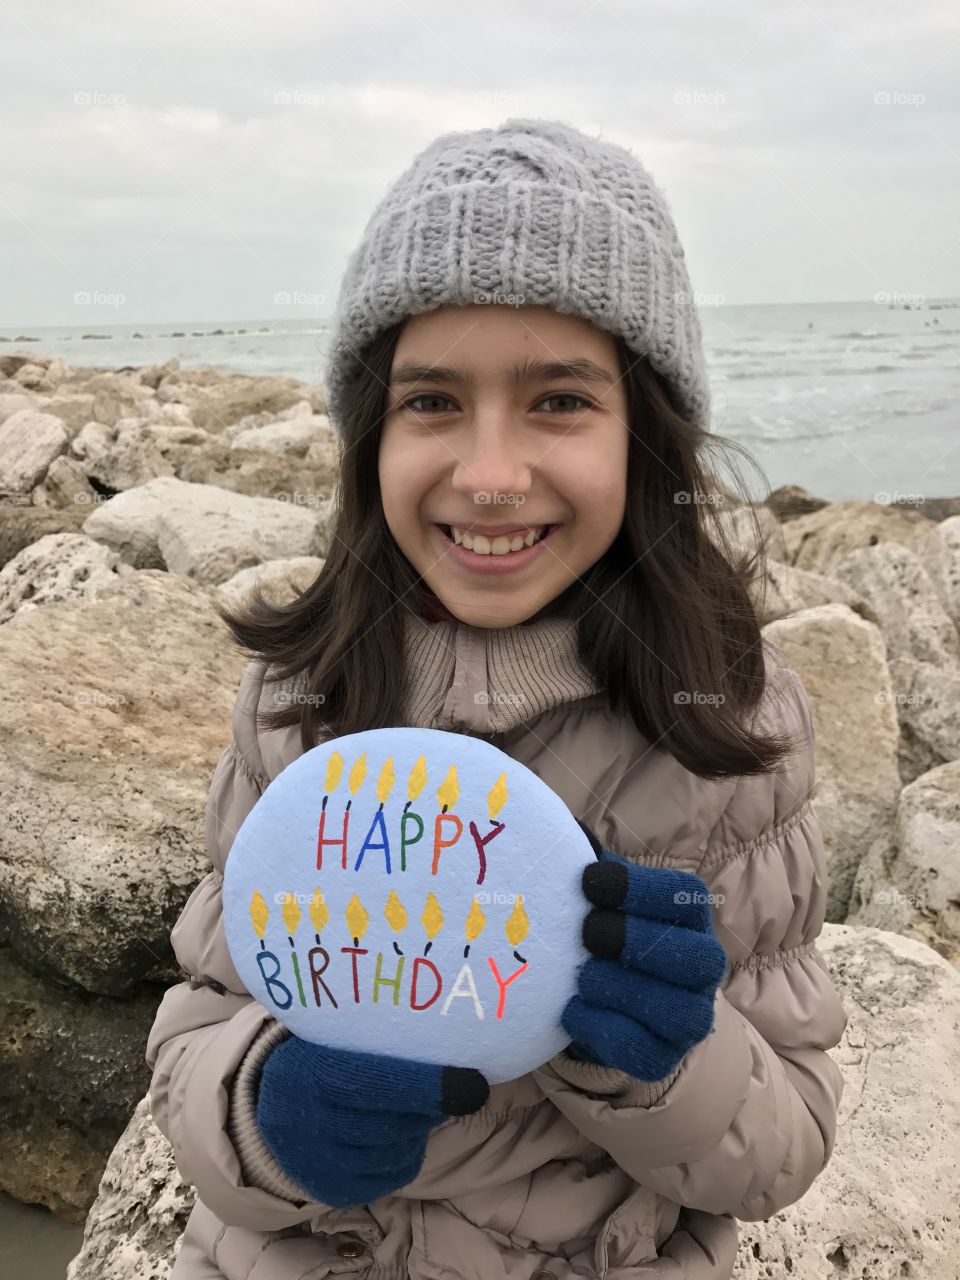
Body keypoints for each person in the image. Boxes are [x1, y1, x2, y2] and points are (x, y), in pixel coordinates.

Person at [145, 117, 848, 1280]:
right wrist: (264, 1114)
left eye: (559, 400)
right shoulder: (296, 700)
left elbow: (784, 1146)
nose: (486, 472)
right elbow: (194, 1044)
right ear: (373, 433)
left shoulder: (726, 732)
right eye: (432, 402)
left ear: (645, 434)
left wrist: (668, 1060)